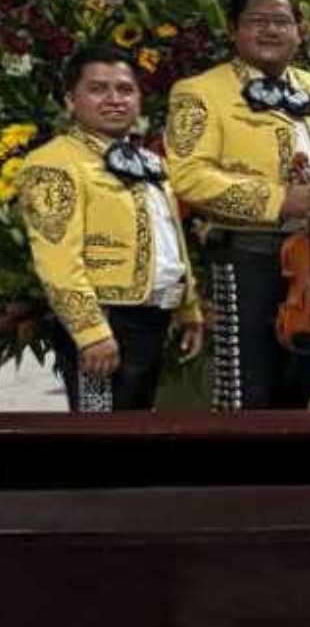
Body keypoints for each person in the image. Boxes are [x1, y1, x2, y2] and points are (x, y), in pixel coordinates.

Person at [167, 0, 310, 410]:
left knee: (301, 383)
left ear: (299, 30)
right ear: (234, 29)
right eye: (258, 21)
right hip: (247, 256)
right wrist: (277, 200)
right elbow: (188, 176)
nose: (271, 30)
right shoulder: (200, 93)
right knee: (248, 393)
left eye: (281, 21)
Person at [21, 45, 204, 410]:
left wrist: (188, 308)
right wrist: (90, 333)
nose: (114, 99)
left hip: (154, 318)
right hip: (105, 320)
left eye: (125, 89)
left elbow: (171, 241)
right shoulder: (54, 163)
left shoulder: (150, 162)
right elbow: (57, 262)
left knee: (138, 427)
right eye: (98, 89)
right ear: (70, 100)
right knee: (101, 428)